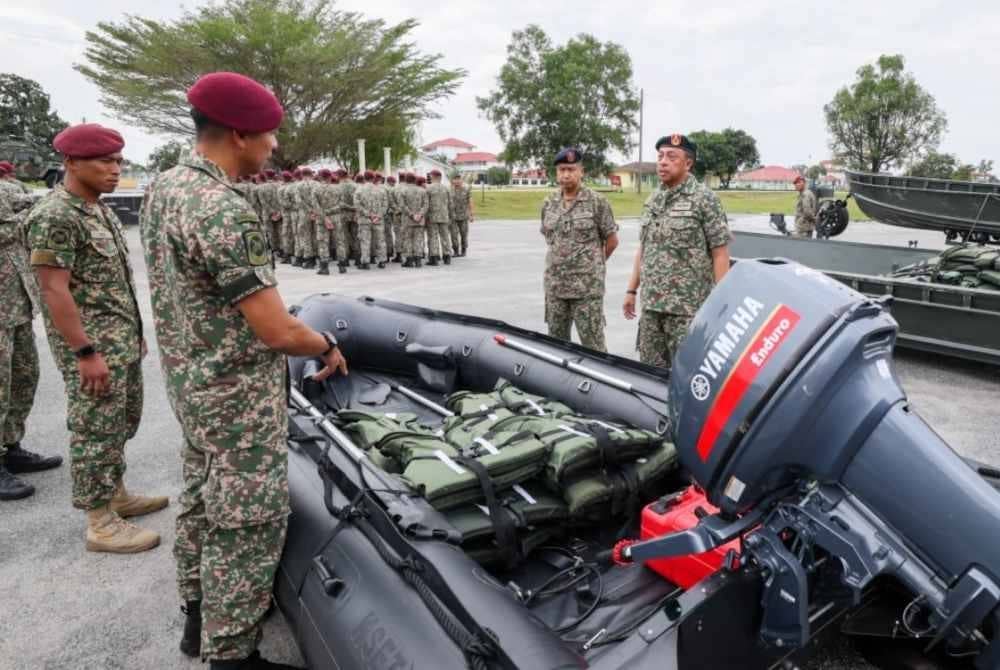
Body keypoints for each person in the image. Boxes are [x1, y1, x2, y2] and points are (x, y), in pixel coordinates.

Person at [140, 71, 347, 670]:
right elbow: (278, 330)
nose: (274, 147)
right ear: (238, 134)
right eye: (269, 136)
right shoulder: (222, 209)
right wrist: (325, 342)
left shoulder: (166, 187)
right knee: (248, 518)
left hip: (193, 386)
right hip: (234, 397)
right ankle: (232, 655)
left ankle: (197, 618)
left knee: (202, 499)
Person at [26, 123, 167, 552]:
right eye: (104, 161)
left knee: (119, 422)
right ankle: (99, 521)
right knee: (94, 430)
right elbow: (54, 289)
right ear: (70, 162)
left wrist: (134, 332)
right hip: (91, 347)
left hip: (118, 339)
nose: (115, 169)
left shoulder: (97, 208)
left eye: (119, 161)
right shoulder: (55, 215)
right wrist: (84, 352)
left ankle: (115, 494)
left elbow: (112, 281)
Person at [623, 133, 731, 370]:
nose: (663, 161)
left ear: (688, 163)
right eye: (660, 156)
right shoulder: (653, 200)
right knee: (650, 375)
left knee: (688, 375)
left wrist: (722, 303)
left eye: (671, 156)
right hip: (652, 308)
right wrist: (632, 289)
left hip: (687, 311)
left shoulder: (705, 199)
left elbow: (720, 253)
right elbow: (644, 247)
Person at [1, 162, 62, 501]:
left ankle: (11, 447)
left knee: (23, 378)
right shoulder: (9, 191)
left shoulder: (10, 186)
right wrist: (43, 203)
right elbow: (17, 225)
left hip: (16, 306)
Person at [540, 147, 619, 352]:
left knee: (593, 346)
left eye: (571, 169)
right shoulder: (549, 203)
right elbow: (550, 238)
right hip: (556, 287)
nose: (566, 174)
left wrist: (592, 265)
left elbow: (612, 240)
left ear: (581, 171)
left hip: (586, 290)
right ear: (556, 173)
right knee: (556, 345)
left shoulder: (597, 202)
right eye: (561, 170)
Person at [425, 169, 453, 266]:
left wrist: (425, 216)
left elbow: (426, 204)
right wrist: (450, 215)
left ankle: (434, 258)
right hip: (444, 216)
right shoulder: (446, 188)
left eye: (430, 176)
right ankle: (447, 257)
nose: (429, 177)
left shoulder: (428, 188)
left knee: (433, 237)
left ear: (434, 176)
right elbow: (450, 204)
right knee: (445, 236)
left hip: (432, 216)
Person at [449, 172, 473, 257]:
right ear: (452, 181)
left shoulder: (466, 189)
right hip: (453, 217)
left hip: (463, 216)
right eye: (455, 179)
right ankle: (455, 250)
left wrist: (471, 214)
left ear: (461, 180)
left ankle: (463, 250)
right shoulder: (449, 190)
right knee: (453, 234)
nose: (457, 181)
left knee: (464, 234)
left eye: (458, 179)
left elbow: (470, 202)